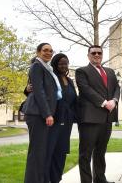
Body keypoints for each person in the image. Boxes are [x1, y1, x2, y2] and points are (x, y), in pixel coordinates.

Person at [76, 45, 120, 183]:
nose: (96, 55)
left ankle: (100, 179)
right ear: (88, 55)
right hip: (90, 118)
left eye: (99, 53)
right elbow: (86, 89)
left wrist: (114, 100)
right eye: (93, 53)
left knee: (100, 152)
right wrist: (103, 102)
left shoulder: (110, 71)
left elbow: (117, 88)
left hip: (107, 118)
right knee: (86, 154)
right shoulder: (82, 71)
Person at [21, 43, 59, 183]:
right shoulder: (37, 66)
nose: (48, 53)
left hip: (41, 114)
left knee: (40, 152)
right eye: (45, 50)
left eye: (50, 50)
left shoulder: (46, 67)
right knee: (36, 152)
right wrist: (47, 114)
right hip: (37, 114)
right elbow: (39, 92)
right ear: (38, 52)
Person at [45, 53, 77, 183]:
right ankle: (48, 179)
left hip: (67, 121)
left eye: (66, 63)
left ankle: (57, 178)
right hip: (55, 120)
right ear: (55, 65)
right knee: (52, 151)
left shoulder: (69, 80)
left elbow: (74, 99)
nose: (64, 66)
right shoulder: (52, 78)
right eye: (61, 63)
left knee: (62, 152)